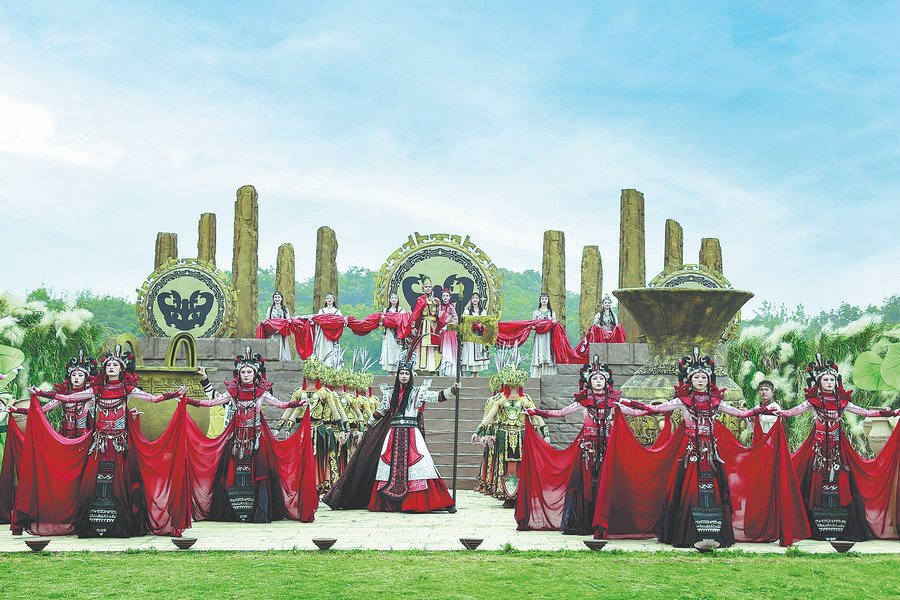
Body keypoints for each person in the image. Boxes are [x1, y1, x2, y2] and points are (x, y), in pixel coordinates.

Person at [30, 347, 184, 537]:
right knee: (94, 482)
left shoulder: (127, 389)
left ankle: (119, 524)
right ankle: (94, 524)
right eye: (108, 365)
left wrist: (175, 394)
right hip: (99, 444)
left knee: (119, 483)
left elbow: (153, 399)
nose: (111, 367)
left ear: (121, 369)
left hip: (119, 445)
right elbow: (67, 397)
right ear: (104, 369)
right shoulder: (97, 390)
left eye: (115, 365)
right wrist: (40, 392)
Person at [625, 348, 769, 548]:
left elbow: (739, 414)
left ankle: (713, 534)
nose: (700, 380)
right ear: (689, 379)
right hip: (691, 451)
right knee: (688, 488)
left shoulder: (715, 401)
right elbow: (656, 408)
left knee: (714, 488)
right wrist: (631, 403)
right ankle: (689, 533)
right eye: (696, 377)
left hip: (711, 453)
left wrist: (761, 410)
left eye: (704, 377)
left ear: (709, 380)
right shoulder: (683, 401)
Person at [778, 354, 900, 541]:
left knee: (840, 482)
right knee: (816, 483)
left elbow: (864, 412)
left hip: (838, 449)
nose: (829, 382)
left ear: (836, 382)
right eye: (825, 380)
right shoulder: (813, 402)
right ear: (819, 383)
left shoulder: (842, 402)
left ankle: (839, 524)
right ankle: (815, 526)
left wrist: (890, 412)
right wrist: (775, 412)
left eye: (832, 380)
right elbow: (791, 412)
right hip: (818, 450)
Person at [323, 348, 459, 513]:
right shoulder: (390, 395)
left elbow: (436, 397)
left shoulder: (417, 392)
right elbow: (379, 412)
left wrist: (452, 390)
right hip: (393, 434)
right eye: (401, 373)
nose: (404, 376)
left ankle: (435, 502)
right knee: (387, 466)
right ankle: (389, 504)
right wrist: (368, 426)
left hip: (412, 434)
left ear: (411, 376)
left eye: (406, 374)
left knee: (422, 466)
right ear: (398, 375)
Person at [522, 359, 647, 534]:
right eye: (594, 378)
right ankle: (585, 523)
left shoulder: (614, 402)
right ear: (589, 382)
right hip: (588, 450)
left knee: (608, 483)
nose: (598, 381)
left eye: (601, 378)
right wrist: (536, 412)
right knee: (585, 484)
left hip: (608, 449)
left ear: (607, 381)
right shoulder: (583, 402)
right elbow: (560, 412)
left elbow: (634, 411)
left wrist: (651, 410)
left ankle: (606, 522)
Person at [184, 347, 308, 522]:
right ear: (239, 374)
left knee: (260, 471)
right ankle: (233, 512)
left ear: (255, 373)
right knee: (231, 473)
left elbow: (280, 405)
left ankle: (260, 510)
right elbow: (211, 402)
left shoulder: (261, 393)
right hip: (236, 439)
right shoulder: (232, 392)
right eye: (243, 372)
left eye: (249, 372)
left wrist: (299, 404)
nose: (246, 375)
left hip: (257, 438)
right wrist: (188, 399)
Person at [473, 366, 548, 507]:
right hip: (504, 437)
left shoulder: (526, 399)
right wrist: (478, 431)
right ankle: (507, 494)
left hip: (521, 436)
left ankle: (520, 494)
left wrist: (545, 433)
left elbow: (537, 416)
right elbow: (489, 417)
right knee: (504, 466)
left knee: (521, 466)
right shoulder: (501, 399)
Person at [5, 350, 98, 438]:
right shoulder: (64, 395)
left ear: (86, 378)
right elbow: (41, 410)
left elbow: (69, 398)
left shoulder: (89, 395)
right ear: (70, 377)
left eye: (80, 375)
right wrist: (17, 410)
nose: (76, 378)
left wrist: (41, 392)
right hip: (65, 436)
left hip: (83, 437)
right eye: (73, 375)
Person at [411, 278, 440, 374]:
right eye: (426, 287)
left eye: (429, 287)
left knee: (433, 346)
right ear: (422, 289)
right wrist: (413, 326)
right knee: (422, 345)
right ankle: (421, 367)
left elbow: (439, 315)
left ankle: (432, 367)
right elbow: (416, 313)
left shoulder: (436, 300)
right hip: (424, 325)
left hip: (434, 325)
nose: (428, 288)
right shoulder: (420, 300)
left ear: (432, 288)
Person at [313, 293, 346, 368]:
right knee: (323, 347)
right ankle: (322, 364)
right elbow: (317, 320)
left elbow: (341, 322)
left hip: (334, 333)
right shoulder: (321, 311)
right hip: (323, 333)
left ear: (334, 300)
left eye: (331, 298)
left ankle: (333, 365)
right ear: (325, 300)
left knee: (333, 348)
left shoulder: (337, 311)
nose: (329, 300)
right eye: (327, 298)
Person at [460, 293, 490, 377]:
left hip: (479, 335)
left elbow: (485, 322)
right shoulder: (467, 311)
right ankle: (472, 372)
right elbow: (464, 321)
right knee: (471, 353)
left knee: (478, 353)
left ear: (479, 300)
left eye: (476, 298)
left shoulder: (482, 311)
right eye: (473, 298)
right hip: (470, 336)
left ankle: (477, 373)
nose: (475, 299)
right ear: (471, 300)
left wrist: (481, 325)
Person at [530, 292, 557, 378]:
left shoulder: (551, 312)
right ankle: (538, 374)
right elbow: (532, 324)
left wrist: (552, 323)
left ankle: (547, 373)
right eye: (542, 299)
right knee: (539, 351)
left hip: (548, 335)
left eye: (545, 299)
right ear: (540, 300)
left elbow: (555, 324)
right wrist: (536, 326)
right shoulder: (536, 312)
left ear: (548, 300)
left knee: (547, 351)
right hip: (539, 336)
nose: (544, 300)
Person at [379, 293, 405, 374]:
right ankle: (390, 371)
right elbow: (381, 323)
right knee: (389, 350)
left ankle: (398, 370)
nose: (393, 300)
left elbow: (404, 322)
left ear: (398, 300)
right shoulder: (385, 310)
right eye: (392, 298)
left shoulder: (401, 310)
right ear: (389, 300)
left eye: (395, 298)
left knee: (397, 350)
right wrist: (382, 319)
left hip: (398, 334)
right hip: (389, 333)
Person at [437, 290, 459, 377]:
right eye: (444, 296)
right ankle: (442, 370)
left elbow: (455, 319)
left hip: (449, 331)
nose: (445, 297)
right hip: (441, 331)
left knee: (448, 350)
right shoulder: (439, 307)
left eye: (447, 296)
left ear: (450, 297)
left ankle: (450, 371)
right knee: (442, 350)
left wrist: (447, 327)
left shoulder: (451, 307)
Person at [266, 291, 292, 361]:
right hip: (272, 331)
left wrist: (288, 321)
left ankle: (281, 358)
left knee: (281, 344)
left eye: (278, 297)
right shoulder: (270, 309)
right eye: (275, 297)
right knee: (272, 343)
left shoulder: (285, 309)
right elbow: (267, 319)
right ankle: (271, 358)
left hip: (281, 331)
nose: (277, 299)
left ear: (281, 298)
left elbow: (288, 319)